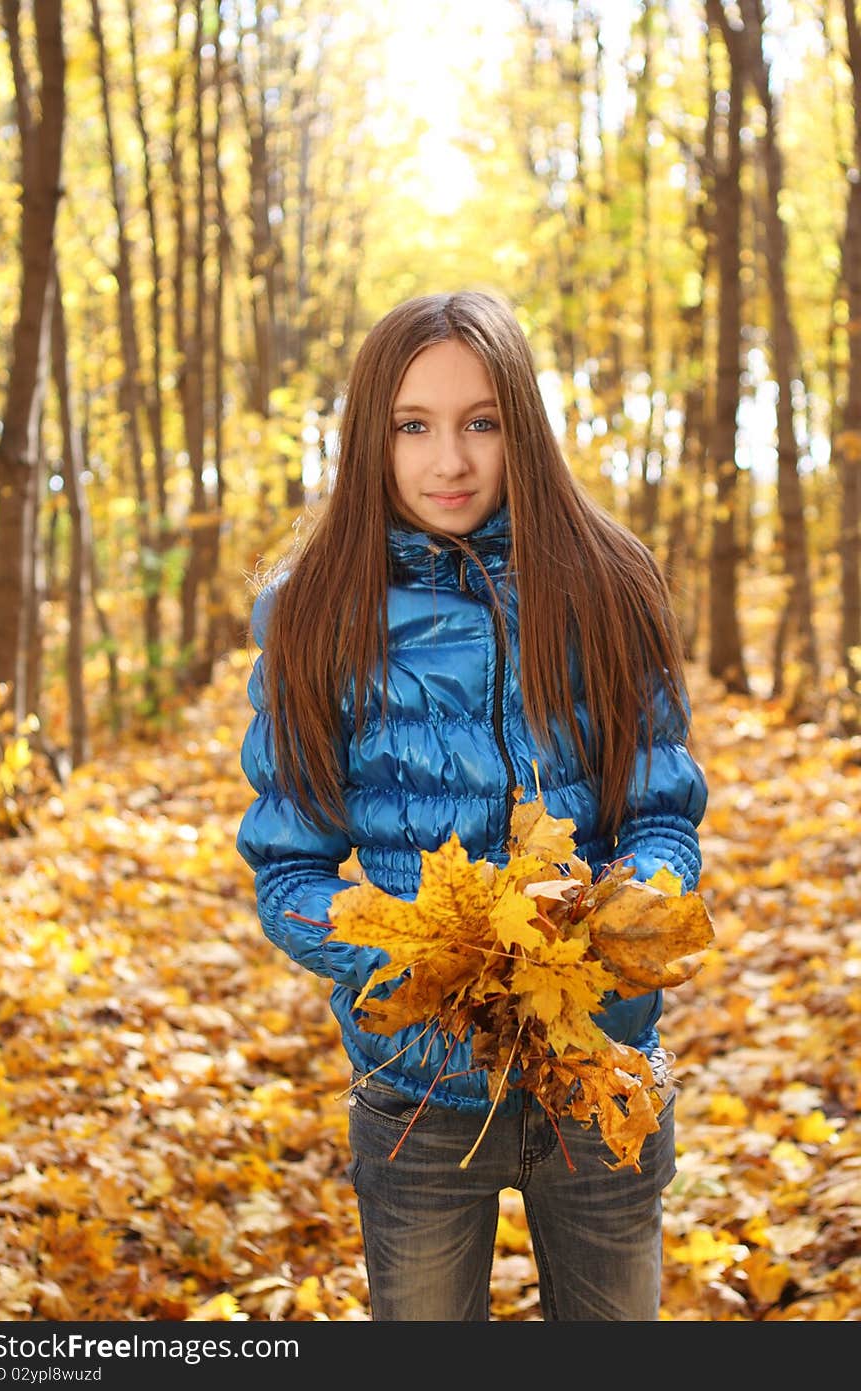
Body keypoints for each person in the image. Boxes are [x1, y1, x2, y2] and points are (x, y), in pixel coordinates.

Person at [236, 289, 708, 1322]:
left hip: (600, 1063)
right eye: (414, 425)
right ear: (372, 435)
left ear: (521, 429)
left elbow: (665, 817)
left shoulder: (610, 586)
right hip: (415, 1086)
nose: (448, 460)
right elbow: (289, 872)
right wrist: (411, 953)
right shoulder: (317, 615)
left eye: (480, 421)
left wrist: (630, 907)